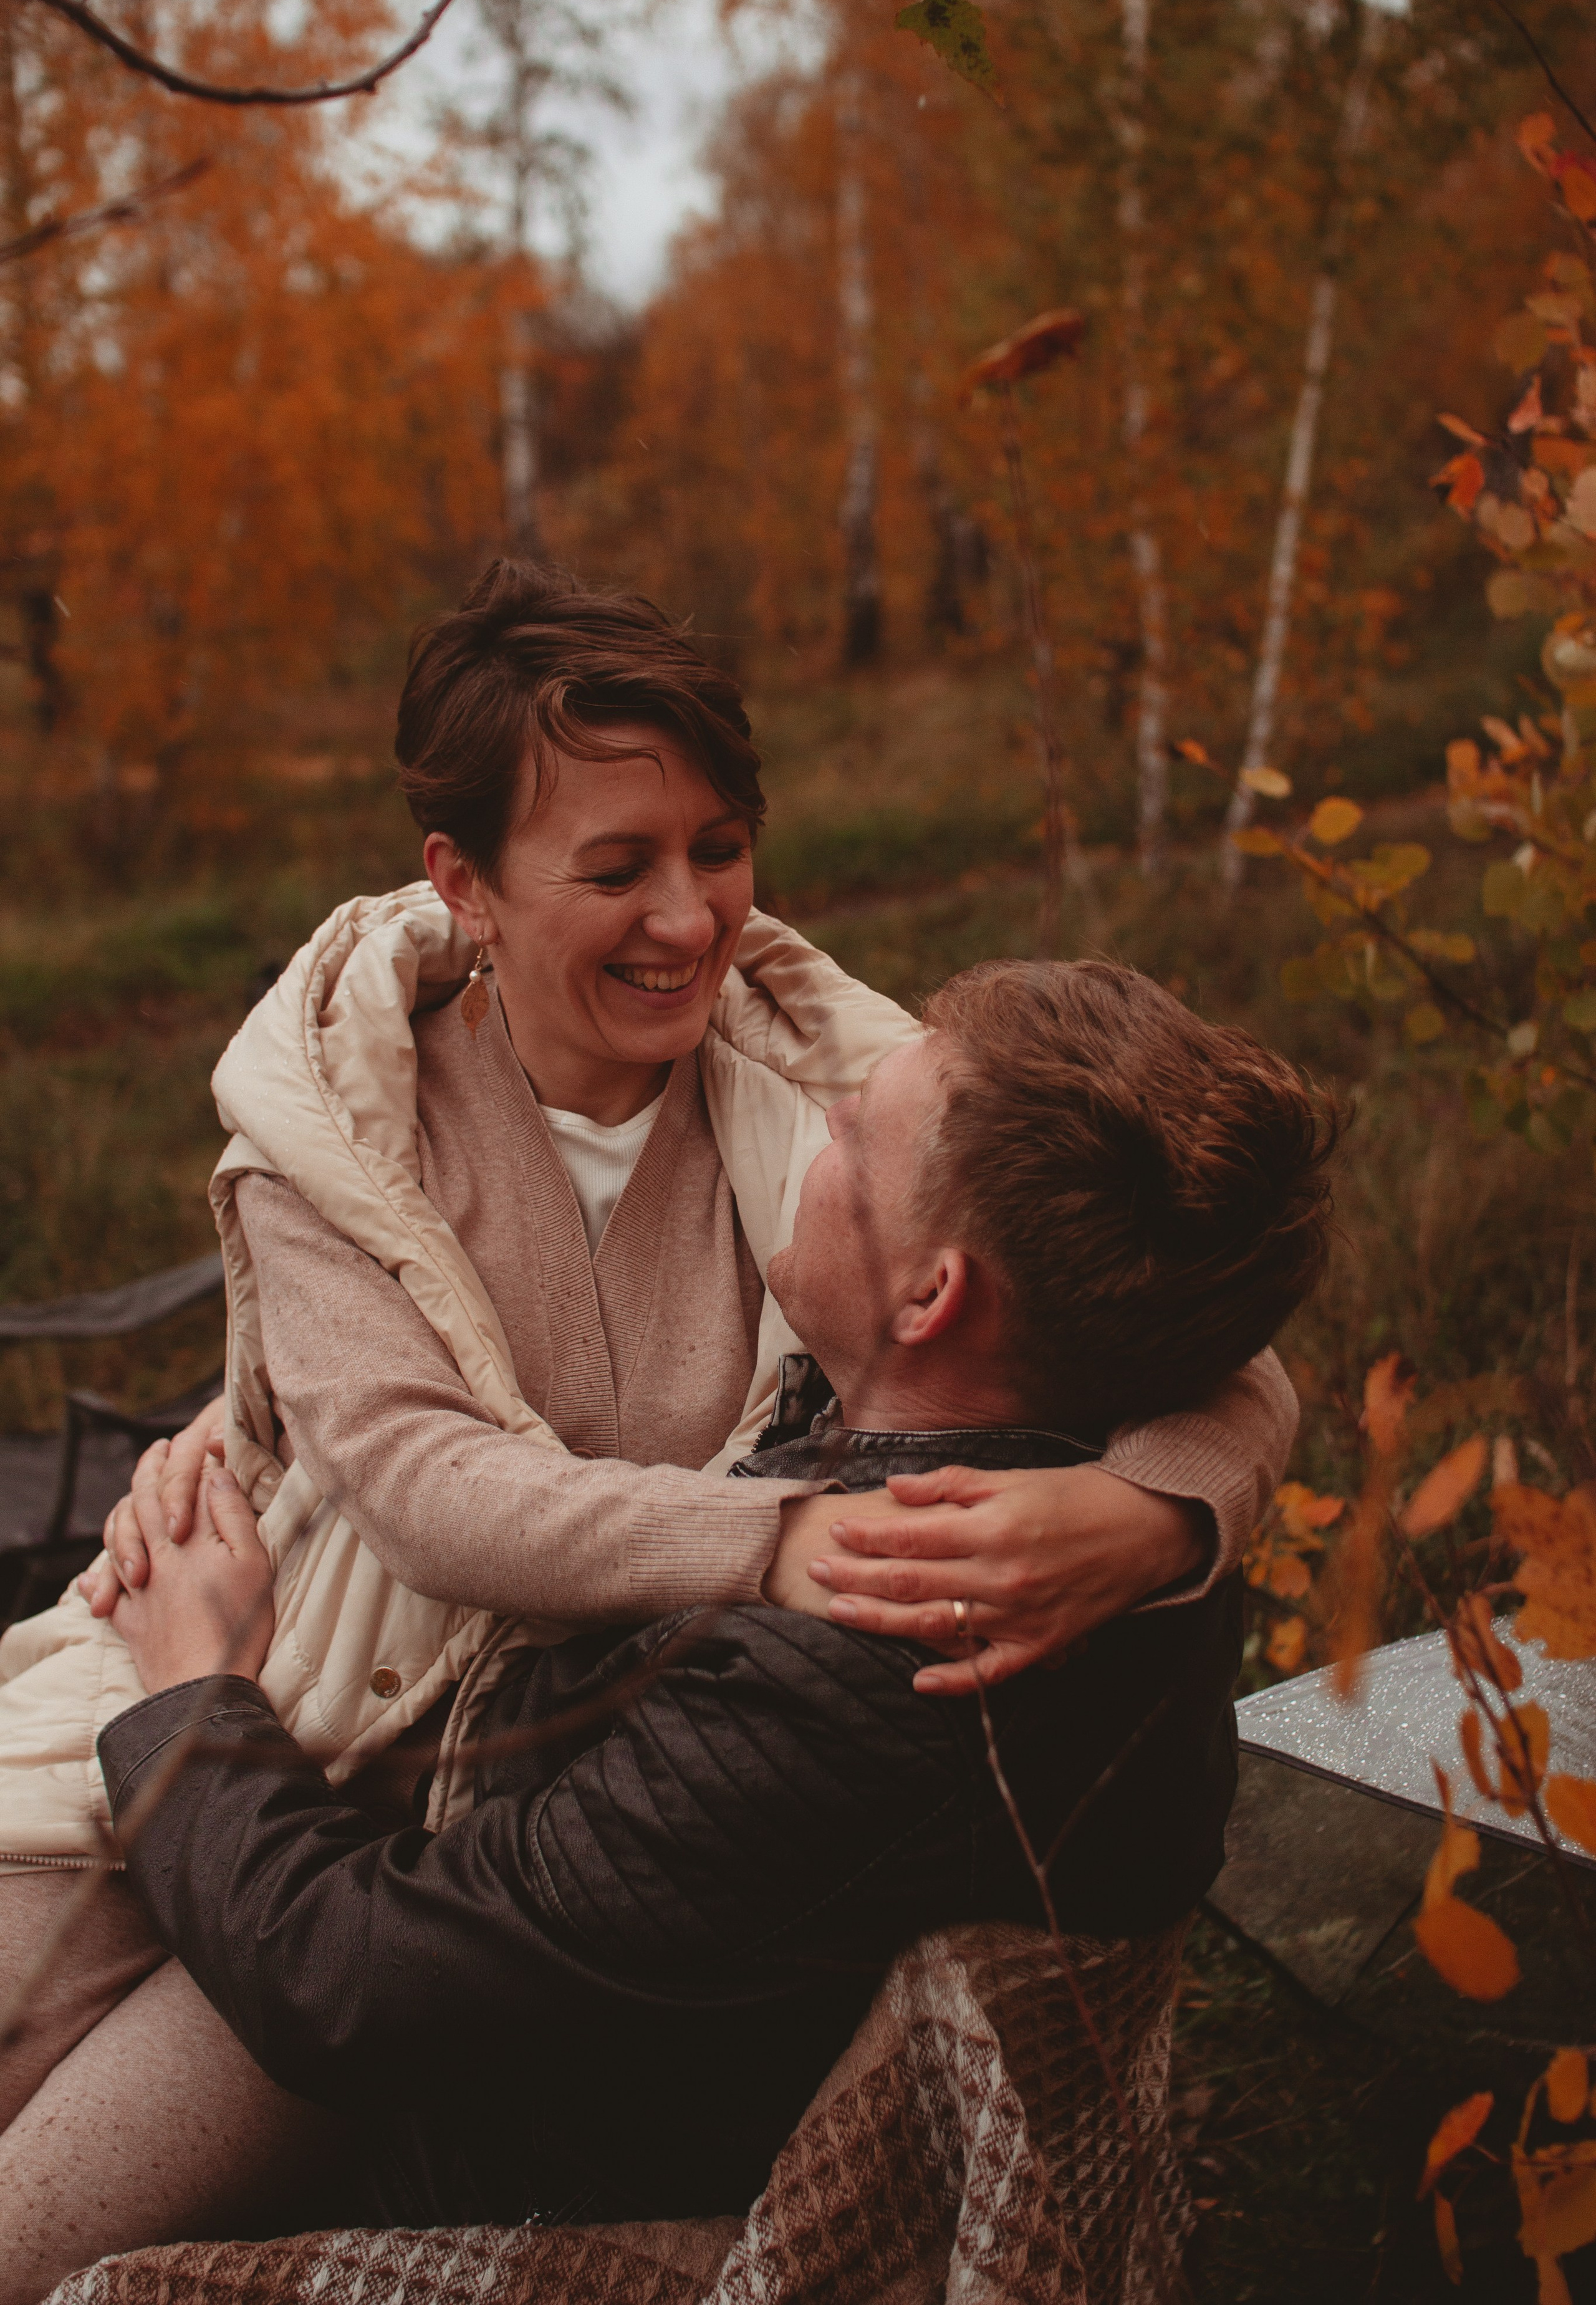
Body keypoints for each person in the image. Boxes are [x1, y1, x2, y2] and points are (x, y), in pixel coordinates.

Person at [0, 565, 1296, 2294]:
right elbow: (420, 1487)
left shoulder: (810, 1070)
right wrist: (769, 1539)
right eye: (614, 868)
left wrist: (1156, 1519)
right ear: (461, 883)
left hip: (442, 1840)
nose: (690, 919)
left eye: (721, 846)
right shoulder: (342, 1120)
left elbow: (1170, 1304)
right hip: (281, 1666)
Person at [91, 956, 1337, 2237]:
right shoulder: (1109, 1455)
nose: (806, 1135)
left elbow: (343, 1985)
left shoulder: (843, 1685)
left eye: (848, 1135)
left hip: (509, 2192)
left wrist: (195, 1696)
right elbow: (1243, 1379)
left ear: (932, 1296)